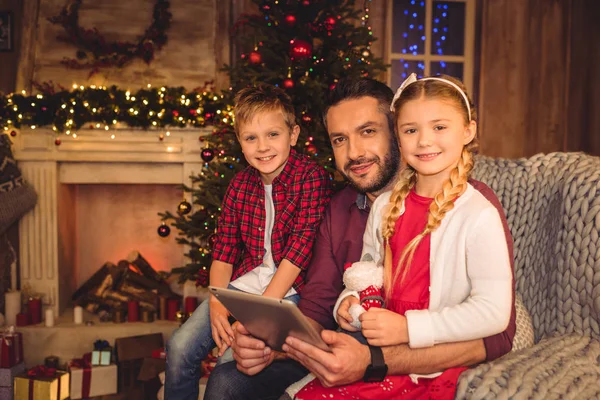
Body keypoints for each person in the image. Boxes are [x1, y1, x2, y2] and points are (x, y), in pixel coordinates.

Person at [204, 78, 516, 400]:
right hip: (340, 349)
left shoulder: (471, 205)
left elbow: (498, 337)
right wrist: (273, 345)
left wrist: (372, 362)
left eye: (368, 132)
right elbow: (318, 306)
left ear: (395, 133)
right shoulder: (338, 208)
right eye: (340, 139)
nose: (354, 152)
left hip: (408, 360)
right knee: (227, 381)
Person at [295, 73, 513, 399]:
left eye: (439, 127)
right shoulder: (386, 206)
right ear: (399, 136)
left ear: (468, 130)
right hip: (381, 341)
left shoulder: (478, 213)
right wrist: (351, 304)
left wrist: (408, 328)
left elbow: (494, 315)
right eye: (411, 130)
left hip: (431, 363)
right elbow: (366, 274)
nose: (424, 141)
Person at [165, 83, 333, 400]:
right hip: (245, 285)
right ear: (241, 143)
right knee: (179, 346)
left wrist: (258, 313)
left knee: (230, 364)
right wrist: (217, 303)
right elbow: (224, 249)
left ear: (293, 135)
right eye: (251, 138)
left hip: (288, 291)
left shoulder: (311, 177)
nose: (262, 146)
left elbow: (300, 251)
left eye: (273, 134)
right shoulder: (240, 183)